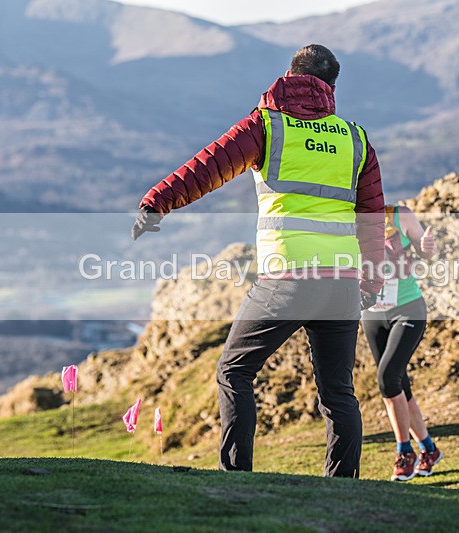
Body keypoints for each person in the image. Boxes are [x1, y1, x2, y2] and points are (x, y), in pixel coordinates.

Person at [132, 44, 385, 477]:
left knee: (234, 370)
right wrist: (371, 281)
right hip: (342, 281)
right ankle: (344, 488)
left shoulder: (268, 125)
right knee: (339, 391)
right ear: (331, 87)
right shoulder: (355, 139)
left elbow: (209, 166)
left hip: (288, 277)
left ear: (290, 75)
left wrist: (157, 202)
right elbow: (372, 217)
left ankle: (237, 476)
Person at [361, 205, 441, 481]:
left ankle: (405, 452)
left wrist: (427, 247)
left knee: (387, 379)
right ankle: (428, 448)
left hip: (407, 309)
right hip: (372, 315)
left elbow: (425, 251)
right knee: (399, 386)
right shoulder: (344, 217)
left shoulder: (399, 215)